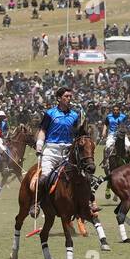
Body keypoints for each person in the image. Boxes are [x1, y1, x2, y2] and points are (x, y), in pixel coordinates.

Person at [34, 87, 95, 216]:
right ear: (59, 98)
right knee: (44, 178)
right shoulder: (50, 113)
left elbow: (79, 134)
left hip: (68, 151)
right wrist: (39, 144)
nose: (69, 99)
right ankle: (37, 203)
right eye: (66, 96)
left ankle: (89, 202)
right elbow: (43, 130)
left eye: (70, 97)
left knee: (83, 176)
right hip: (51, 150)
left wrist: (84, 124)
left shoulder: (74, 115)